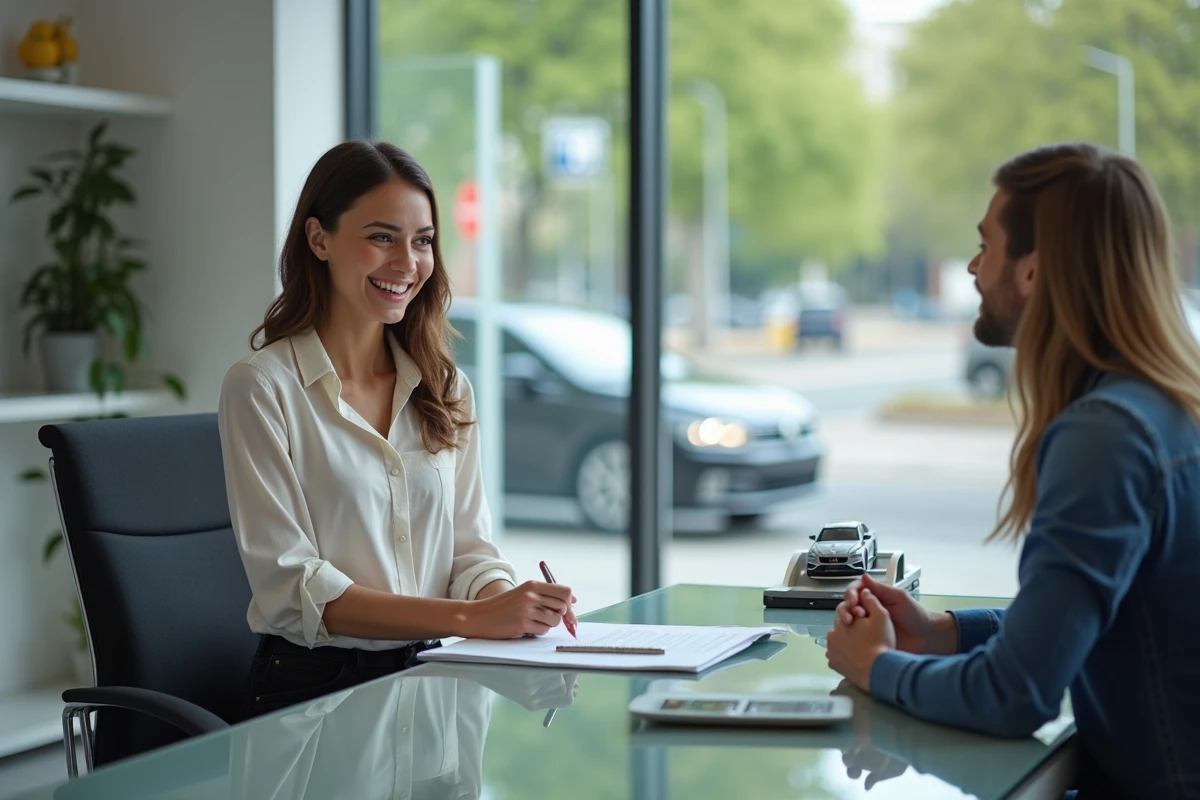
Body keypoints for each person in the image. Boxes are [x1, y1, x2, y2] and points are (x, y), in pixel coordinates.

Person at [824, 143, 1200, 798]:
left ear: (1033, 271)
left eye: (985, 245)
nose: (972, 268)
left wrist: (875, 667)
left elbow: (1016, 695)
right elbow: (1095, 616)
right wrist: (943, 632)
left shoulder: (1104, 437)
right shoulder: (1167, 408)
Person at [218, 140, 577, 719]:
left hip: (441, 678)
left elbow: (467, 549)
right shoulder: (261, 388)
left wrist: (505, 601)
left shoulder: (445, 386)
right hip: (315, 692)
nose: (407, 263)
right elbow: (294, 589)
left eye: (423, 241)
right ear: (319, 239)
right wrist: (471, 619)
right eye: (381, 237)